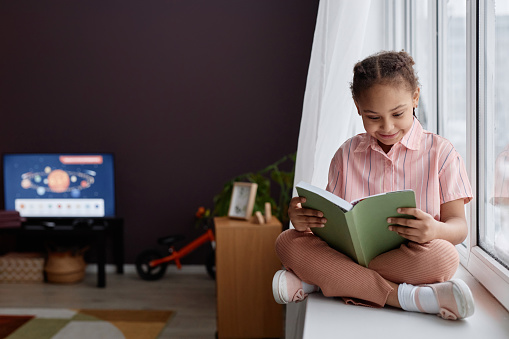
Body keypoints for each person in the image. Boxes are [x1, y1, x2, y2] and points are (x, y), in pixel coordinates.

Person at [272, 50, 475, 320]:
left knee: (445, 257)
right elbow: (330, 224)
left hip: (411, 255)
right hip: (352, 254)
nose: (387, 127)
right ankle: (404, 297)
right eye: (373, 117)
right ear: (358, 107)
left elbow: (459, 228)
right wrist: (303, 220)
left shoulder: (442, 153)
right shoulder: (346, 154)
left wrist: (434, 229)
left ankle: (321, 282)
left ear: (415, 97)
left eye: (398, 113)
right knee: (287, 241)